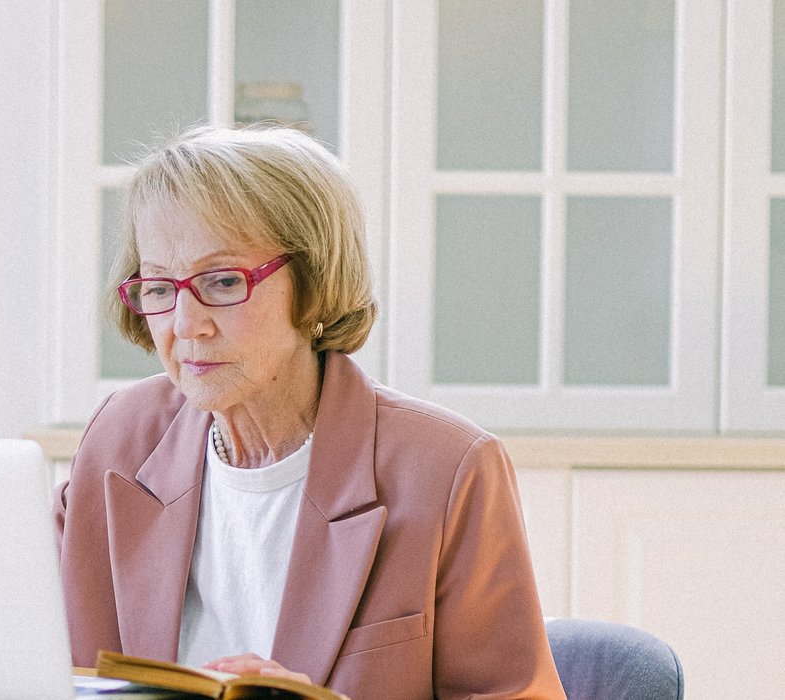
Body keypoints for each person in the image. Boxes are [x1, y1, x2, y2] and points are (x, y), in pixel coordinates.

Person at [54, 124, 565, 698]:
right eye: (159, 288)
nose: (185, 324)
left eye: (223, 281)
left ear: (314, 282)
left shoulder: (447, 470)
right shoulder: (118, 441)